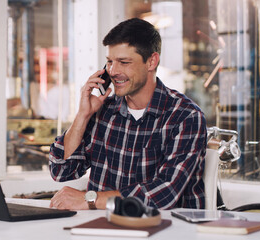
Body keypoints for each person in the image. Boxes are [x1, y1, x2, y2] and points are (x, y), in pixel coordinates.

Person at [48, 18, 207, 210]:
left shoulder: (185, 117)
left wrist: (88, 199)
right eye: (109, 62)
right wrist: (83, 115)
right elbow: (61, 171)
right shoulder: (103, 110)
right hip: (105, 227)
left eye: (124, 62)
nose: (113, 71)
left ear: (151, 61)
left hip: (166, 230)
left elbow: (163, 193)